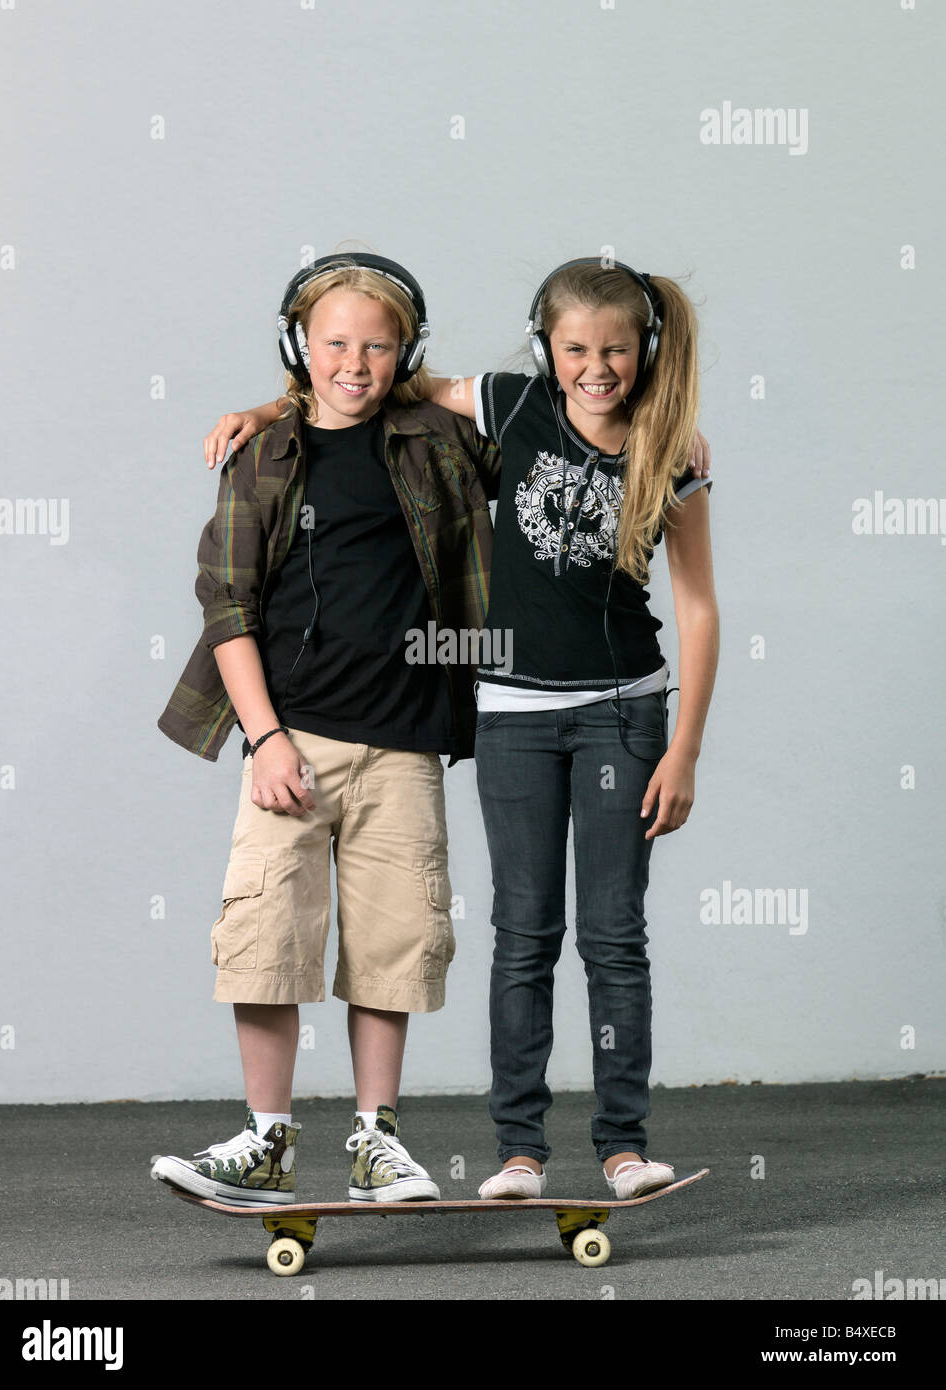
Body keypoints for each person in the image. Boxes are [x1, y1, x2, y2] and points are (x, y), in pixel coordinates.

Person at [198, 256, 716, 1204]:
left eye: (614, 351)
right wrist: (270, 408)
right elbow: (232, 594)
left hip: (530, 718)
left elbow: (682, 590)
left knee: (531, 939)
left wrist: (683, 745)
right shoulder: (296, 453)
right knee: (347, 934)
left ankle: (566, 1143)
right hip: (411, 722)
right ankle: (441, 1147)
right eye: (574, 349)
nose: (594, 367)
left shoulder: (502, 441)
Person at [150, 254, 501, 1206]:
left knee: (392, 942)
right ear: (297, 345)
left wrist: (675, 437)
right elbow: (225, 601)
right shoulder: (262, 456)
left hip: (402, 741)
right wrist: (263, 740)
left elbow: (555, 426)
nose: (355, 361)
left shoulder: (438, 439)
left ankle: (375, 1139)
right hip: (291, 742)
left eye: (379, 345)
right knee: (266, 934)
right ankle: (266, 1137)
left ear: (408, 352)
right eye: (335, 342)